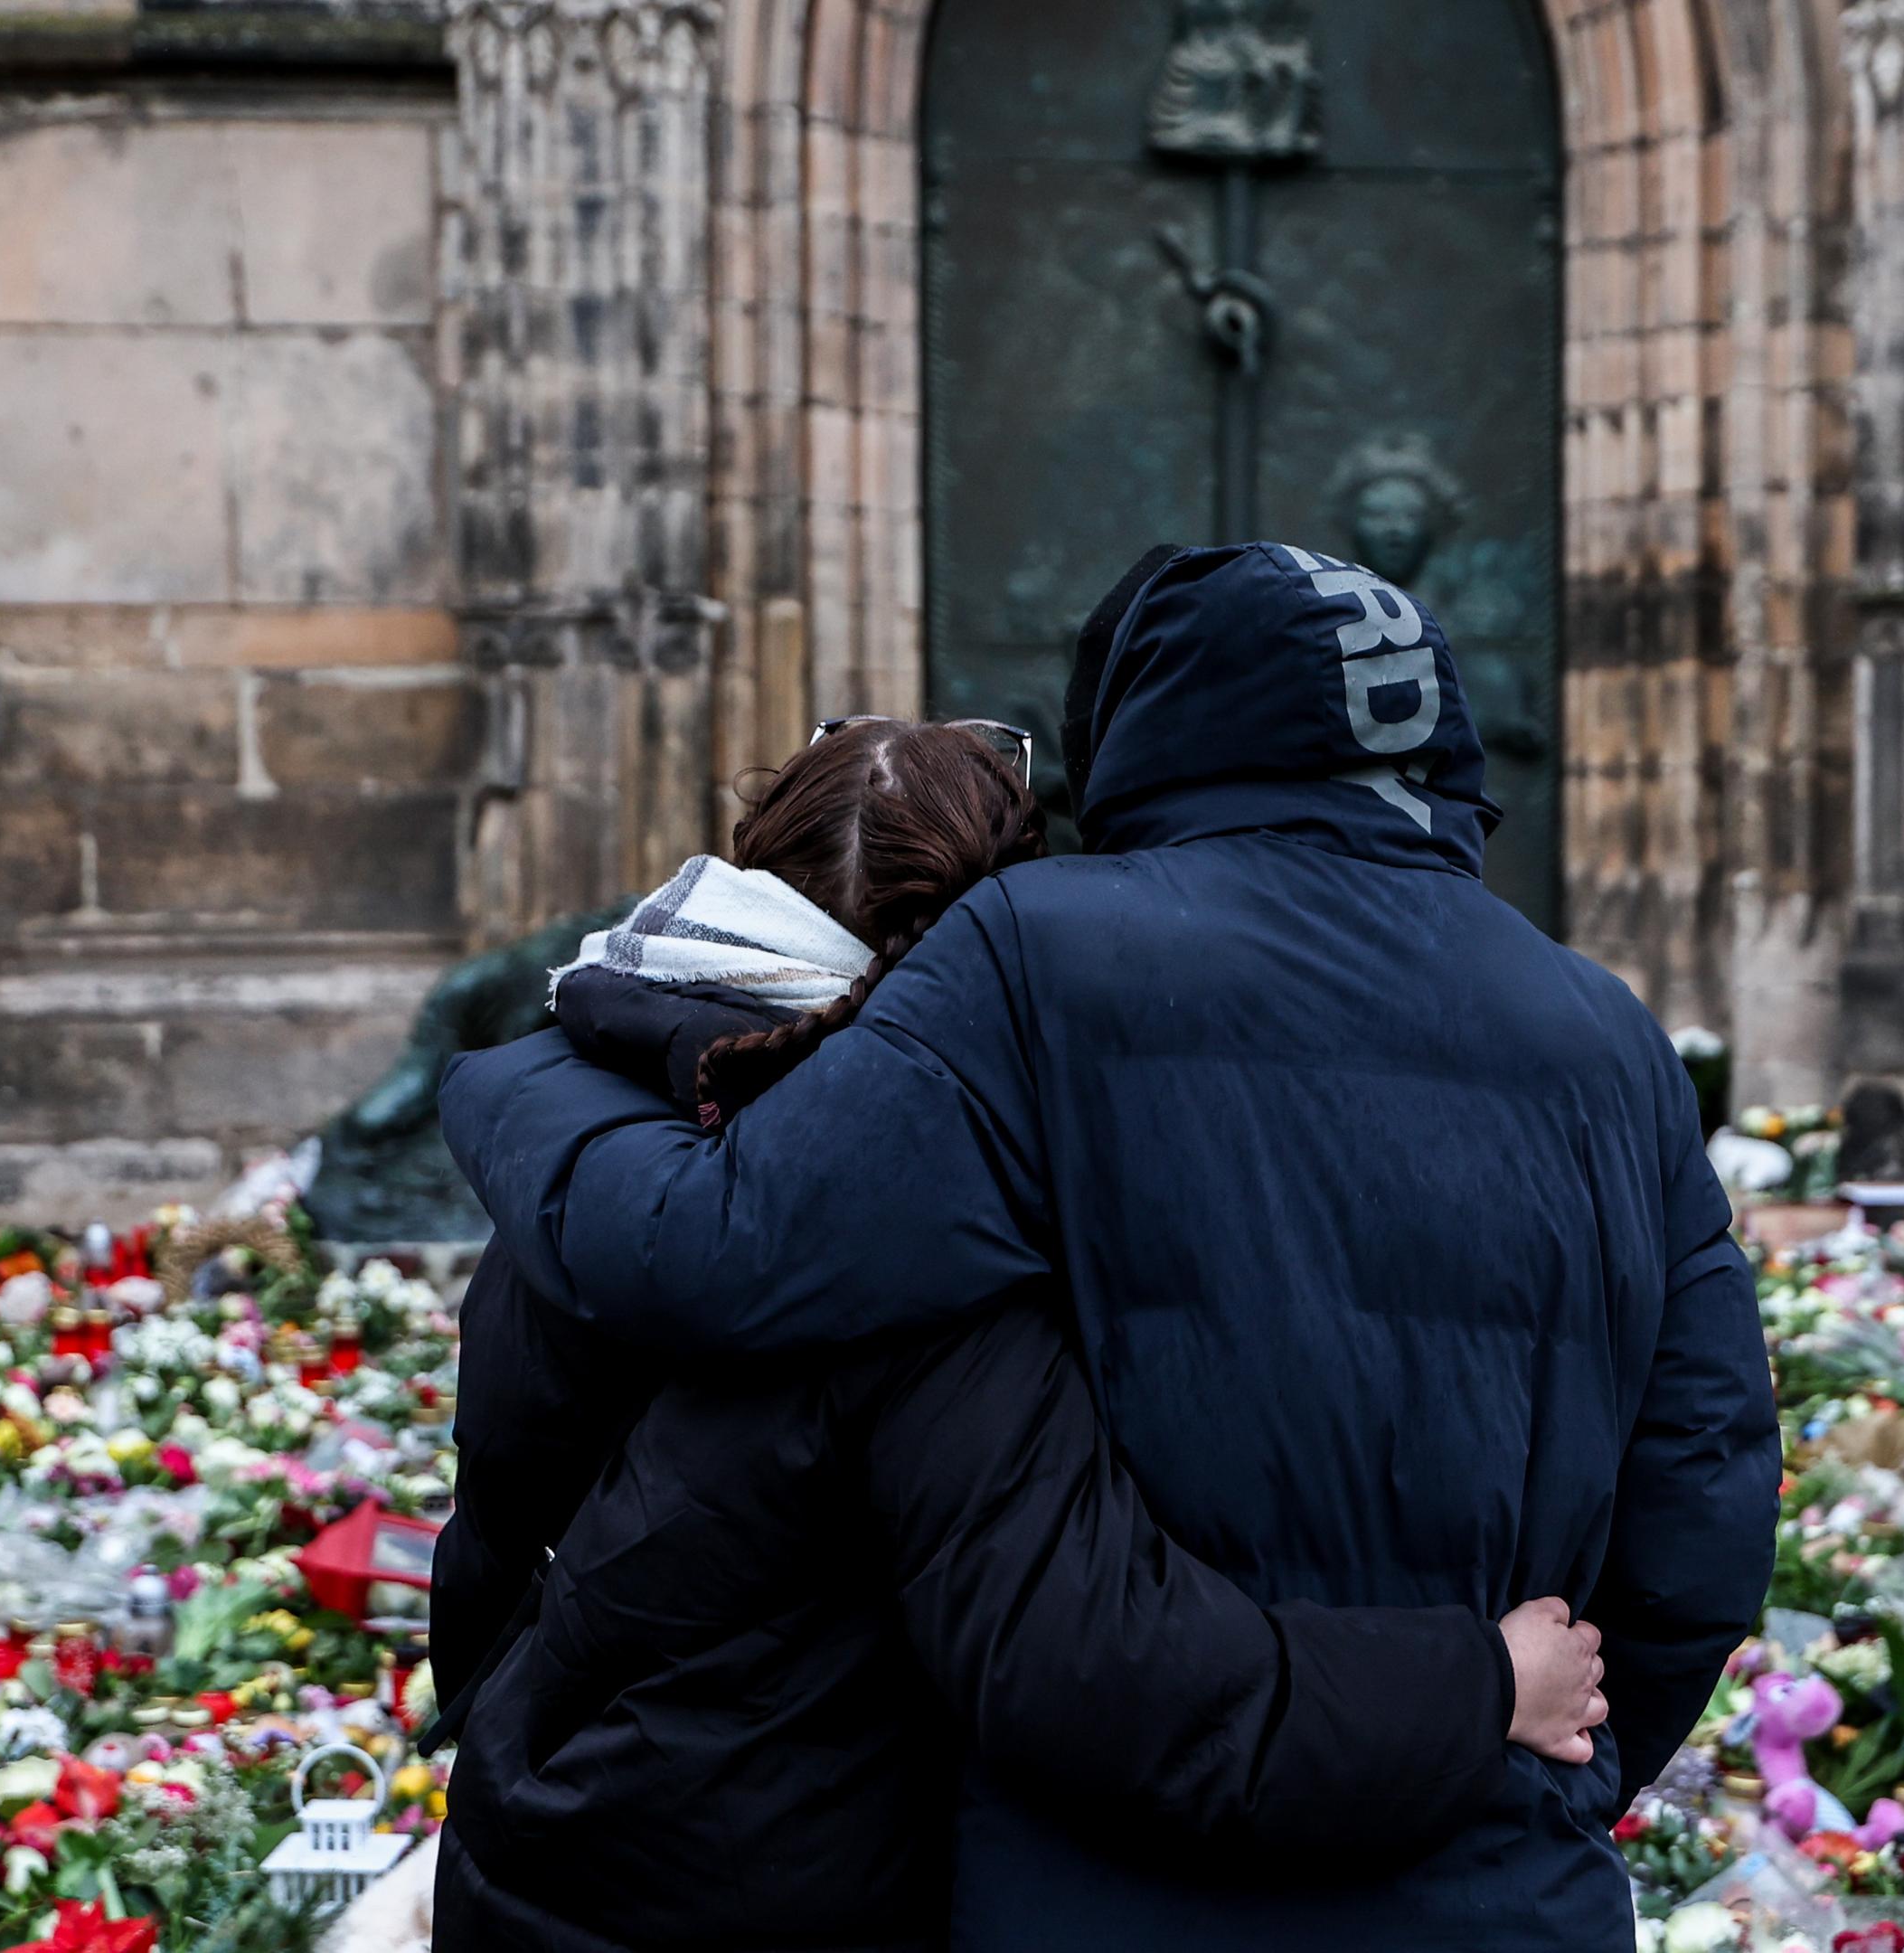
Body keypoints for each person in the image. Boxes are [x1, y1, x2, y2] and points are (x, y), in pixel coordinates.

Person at [441, 542, 1779, 1949]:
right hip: (1501, 1873)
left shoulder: (1038, 950)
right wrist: (1549, 1765)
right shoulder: (1610, 1032)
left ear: (1139, 729)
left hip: (1101, 1877)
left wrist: (532, 1071)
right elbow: (1708, 1484)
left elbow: (727, 1245)